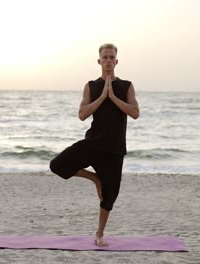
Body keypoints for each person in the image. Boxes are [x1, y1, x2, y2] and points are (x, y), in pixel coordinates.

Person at [49, 43, 139, 247]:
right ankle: (95, 179)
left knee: (109, 198)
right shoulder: (91, 85)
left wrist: (113, 97)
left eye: (111, 57)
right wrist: (102, 97)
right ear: (99, 61)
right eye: (105, 57)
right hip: (93, 143)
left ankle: (99, 234)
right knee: (57, 165)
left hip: (114, 149)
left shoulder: (126, 86)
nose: (108, 60)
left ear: (116, 61)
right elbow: (82, 115)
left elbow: (135, 113)